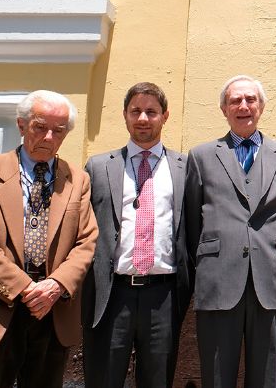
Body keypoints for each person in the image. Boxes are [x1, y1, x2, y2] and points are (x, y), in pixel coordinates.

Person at [0, 90, 98, 388]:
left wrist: (57, 285)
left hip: (50, 312)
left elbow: (86, 241)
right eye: (40, 126)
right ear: (22, 125)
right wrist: (25, 288)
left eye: (58, 131)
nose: (49, 137)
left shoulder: (78, 179)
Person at [184, 75, 276, 388]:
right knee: (217, 376)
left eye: (251, 99)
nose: (243, 106)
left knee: (267, 378)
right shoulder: (201, 156)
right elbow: (193, 222)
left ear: (261, 106)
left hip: (270, 283)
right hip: (218, 281)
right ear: (224, 109)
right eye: (235, 100)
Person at [82, 82, 191, 388]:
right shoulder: (99, 166)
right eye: (136, 111)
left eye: (151, 111)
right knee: (103, 378)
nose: (143, 118)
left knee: (157, 380)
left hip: (164, 295)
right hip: (112, 293)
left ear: (165, 116)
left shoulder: (185, 168)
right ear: (125, 115)